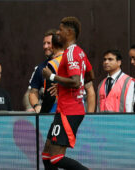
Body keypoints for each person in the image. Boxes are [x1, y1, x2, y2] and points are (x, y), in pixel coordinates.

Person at [42, 16, 94, 170]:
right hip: (66, 110)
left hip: (69, 111)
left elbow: (76, 81)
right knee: (46, 156)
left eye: (60, 30)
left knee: (56, 158)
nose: (57, 33)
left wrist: (51, 77)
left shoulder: (71, 53)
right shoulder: (79, 52)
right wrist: (63, 87)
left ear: (69, 32)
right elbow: (90, 75)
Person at [29, 29, 57, 113]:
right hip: (47, 114)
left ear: (57, 44)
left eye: (49, 43)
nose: (45, 46)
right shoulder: (40, 68)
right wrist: (37, 106)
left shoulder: (67, 62)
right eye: (44, 43)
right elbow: (32, 92)